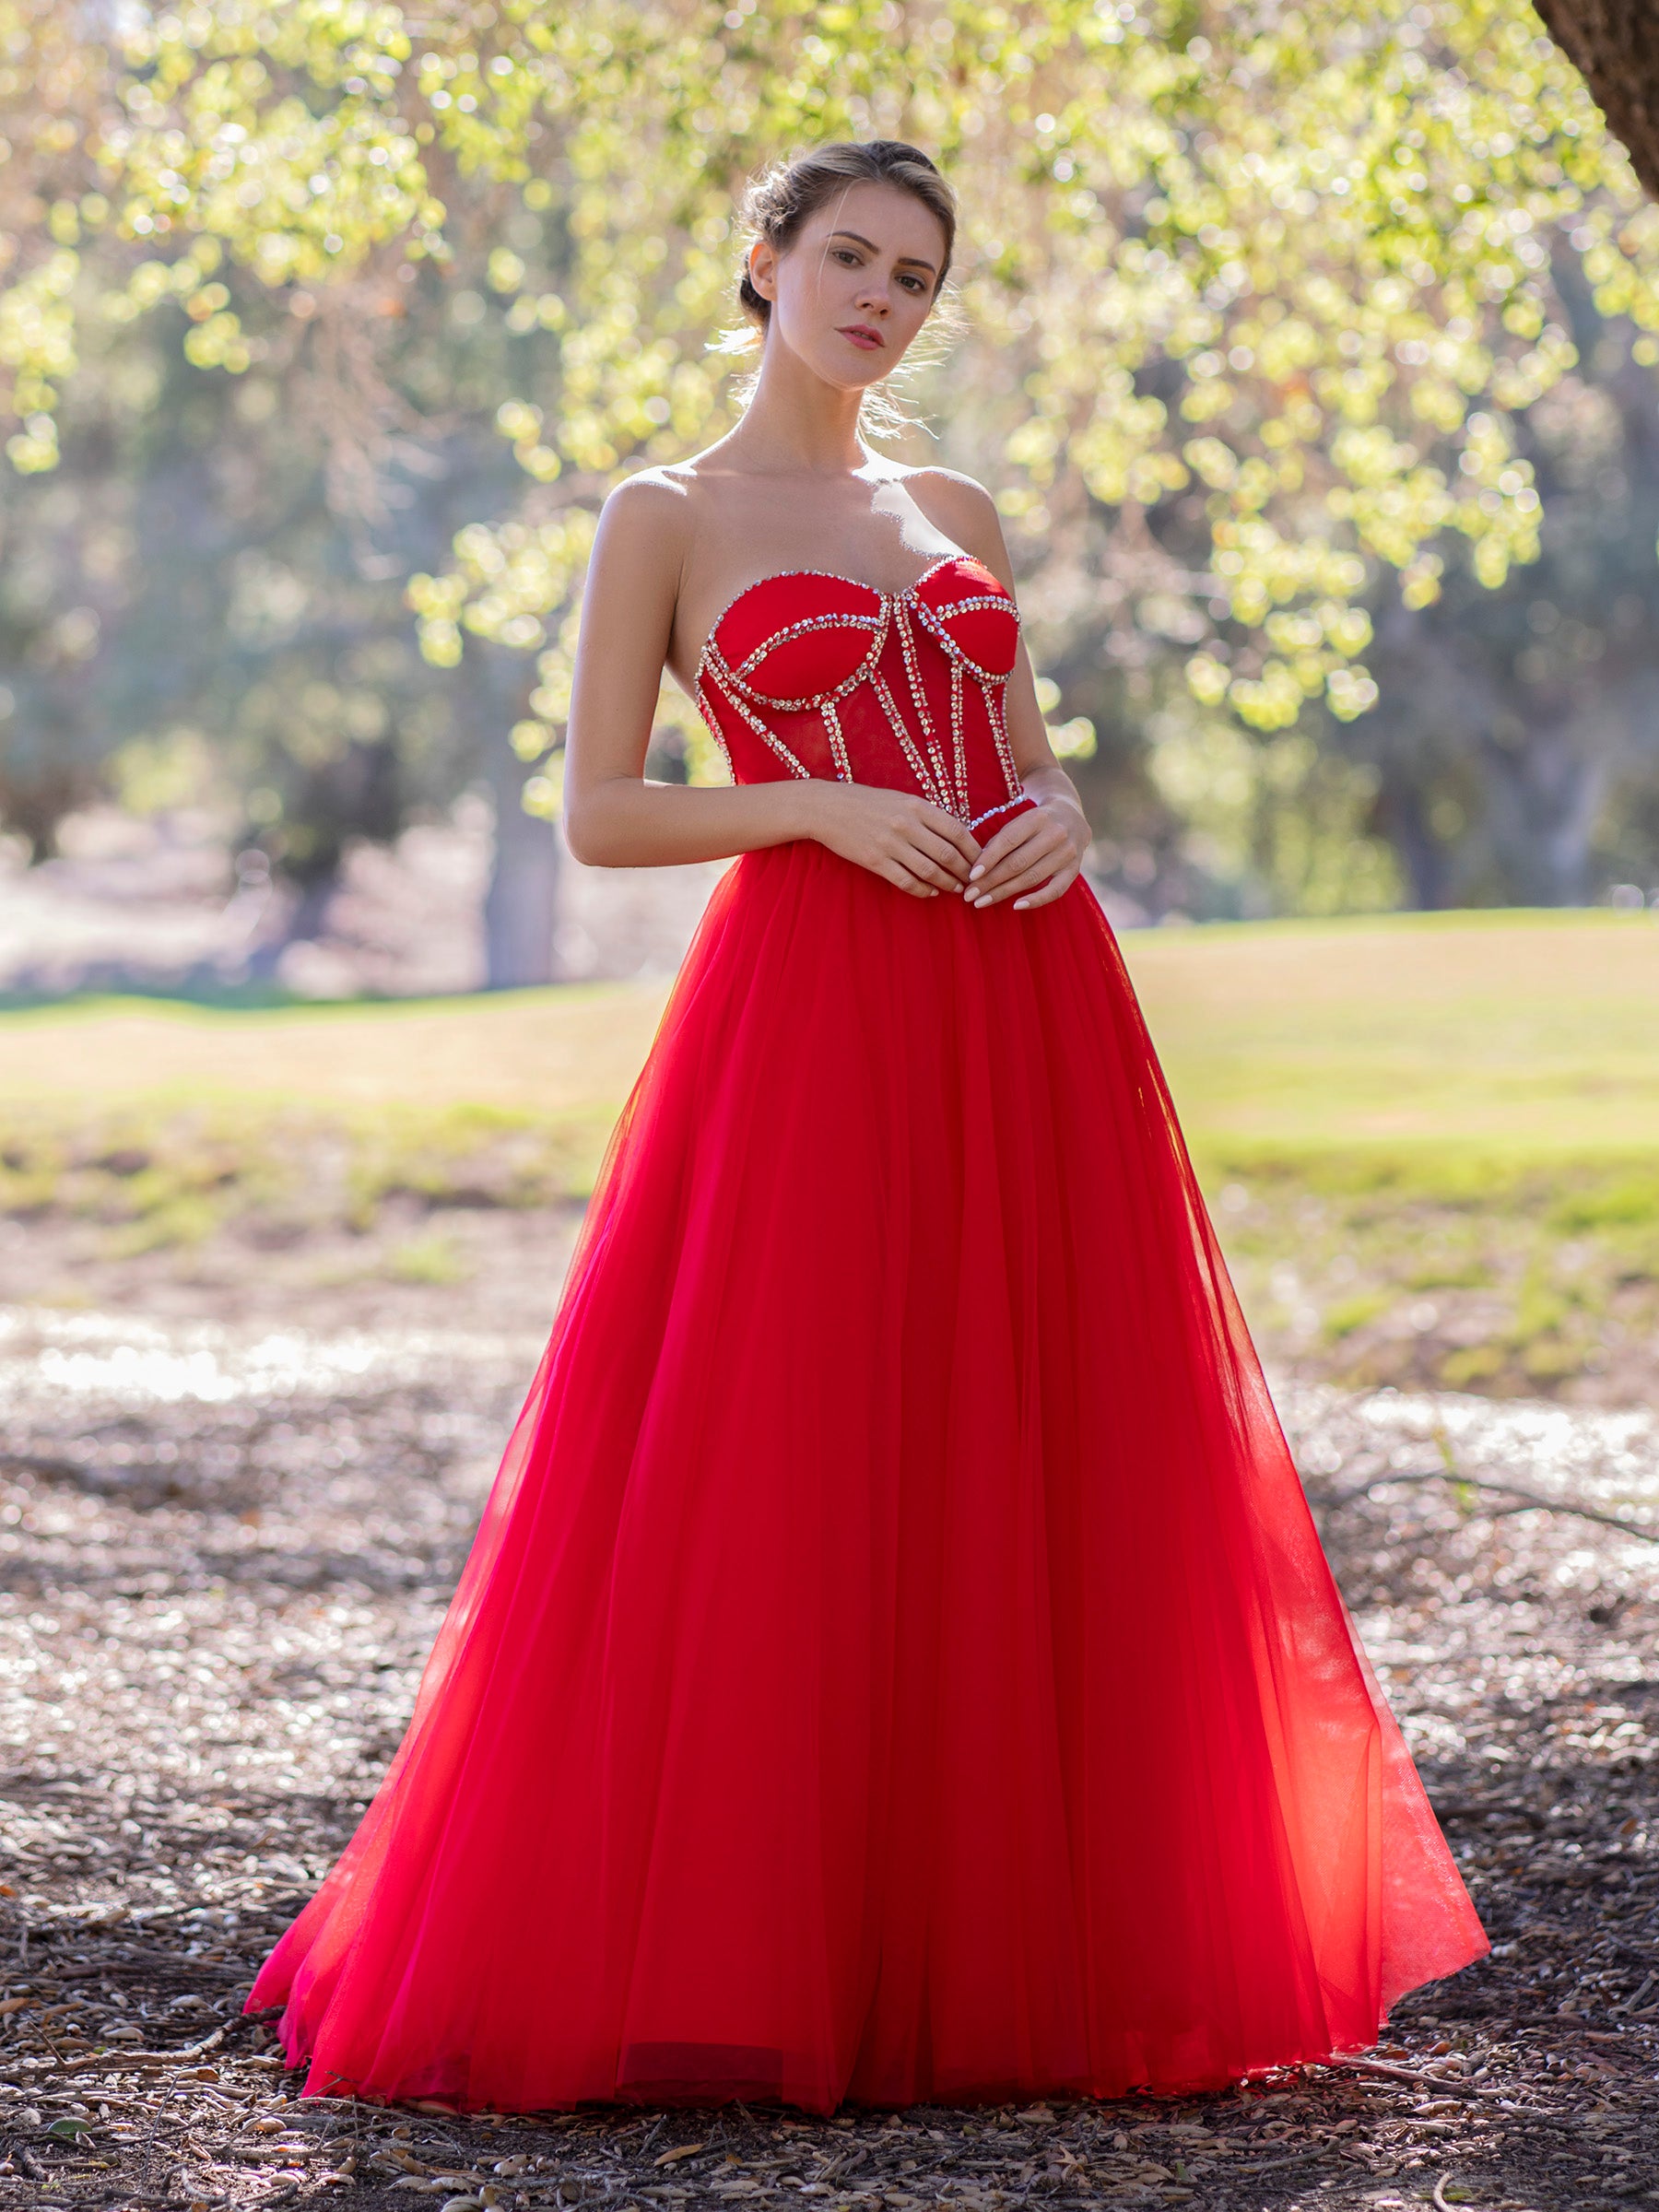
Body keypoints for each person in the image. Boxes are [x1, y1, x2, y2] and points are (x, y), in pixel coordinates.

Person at [247, 139, 1486, 2115]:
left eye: (915, 275)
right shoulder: (668, 513)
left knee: (1038, 1434)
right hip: (814, 1004)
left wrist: (1065, 817)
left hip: (1026, 992)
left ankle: (1022, 1943)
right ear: (765, 262)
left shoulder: (955, 504)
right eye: (849, 256)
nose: (880, 299)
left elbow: (1019, 751)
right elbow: (606, 813)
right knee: (803, 1443)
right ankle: (775, 1948)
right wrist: (814, 805)